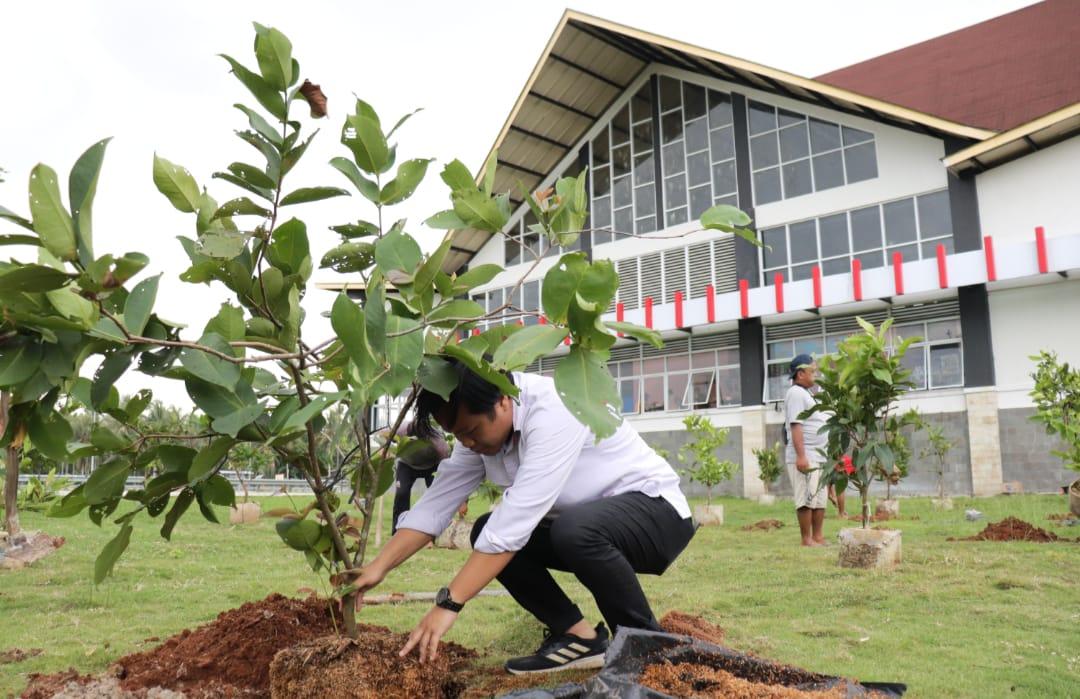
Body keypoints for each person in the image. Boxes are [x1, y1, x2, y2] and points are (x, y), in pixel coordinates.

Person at [348, 361, 695, 674]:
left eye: (472, 431)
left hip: (657, 516)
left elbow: (515, 521)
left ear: (502, 401)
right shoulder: (480, 439)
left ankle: (646, 646)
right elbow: (437, 503)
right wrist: (379, 567)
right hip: (589, 527)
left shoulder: (555, 410)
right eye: (459, 436)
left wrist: (449, 603)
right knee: (486, 529)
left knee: (564, 531)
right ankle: (579, 639)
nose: (467, 443)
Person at [784, 353, 829, 546]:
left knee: (819, 499)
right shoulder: (795, 393)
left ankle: (817, 536)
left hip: (818, 456)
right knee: (806, 499)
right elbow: (796, 425)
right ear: (800, 374)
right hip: (805, 457)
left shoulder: (807, 394)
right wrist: (801, 456)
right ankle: (806, 539)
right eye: (812, 370)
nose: (815, 374)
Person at [380, 419, 450, 535]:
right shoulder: (402, 429)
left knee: (435, 497)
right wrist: (385, 448)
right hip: (407, 464)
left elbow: (446, 465)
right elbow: (383, 433)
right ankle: (397, 531)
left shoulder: (438, 442)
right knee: (401, 494)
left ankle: (432, 533)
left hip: (432, 466)